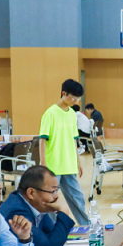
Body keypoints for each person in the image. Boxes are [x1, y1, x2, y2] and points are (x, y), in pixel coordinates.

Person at [38, 78, 89, 226]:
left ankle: (86, 226)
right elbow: (43, 139)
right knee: (51, 200)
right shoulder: (50, 113)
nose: (75, 101)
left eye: (78, 98)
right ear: (64, 93)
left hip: (69, 165)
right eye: (73, 97)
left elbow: (74, 139)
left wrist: (78, 161)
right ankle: (52, 229)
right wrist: (43, 163)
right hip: (53, 166)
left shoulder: (72, 114)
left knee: (77, 197)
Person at [0, 165, 76, 246]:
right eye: (52, 191)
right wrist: (64, 212)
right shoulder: (17, 213)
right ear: (31, 193)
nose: (56, 196)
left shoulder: (36, 205)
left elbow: (53, 237)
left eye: (56, 191)